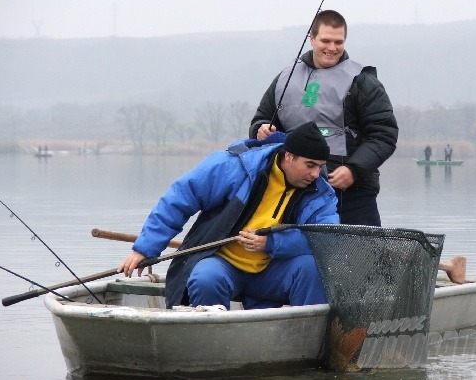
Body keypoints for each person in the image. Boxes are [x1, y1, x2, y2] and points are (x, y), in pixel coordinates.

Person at [118, 121, 339, 310]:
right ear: (288, 157)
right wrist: (144, 249)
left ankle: (304, 342)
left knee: (312, 268)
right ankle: (210, 345)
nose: (315, 174)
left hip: (273, 270)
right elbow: (178, 200)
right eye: (309, 165)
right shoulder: (234, 166)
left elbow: (326, 239)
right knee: (205, 279)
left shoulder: (321, 192)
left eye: (320, 167)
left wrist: (272, 243)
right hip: (222, 262)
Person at [249, 9, 398, 227]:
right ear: (312, 39)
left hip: (352, 192)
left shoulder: (363, 82)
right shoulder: (286, 77)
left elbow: (384, 135)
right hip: (295, 191)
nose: (332, 48)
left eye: (339, 42)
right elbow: (261, 119)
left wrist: (354, 170)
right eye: (325, 40)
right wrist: (261, 129)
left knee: (364, 257)